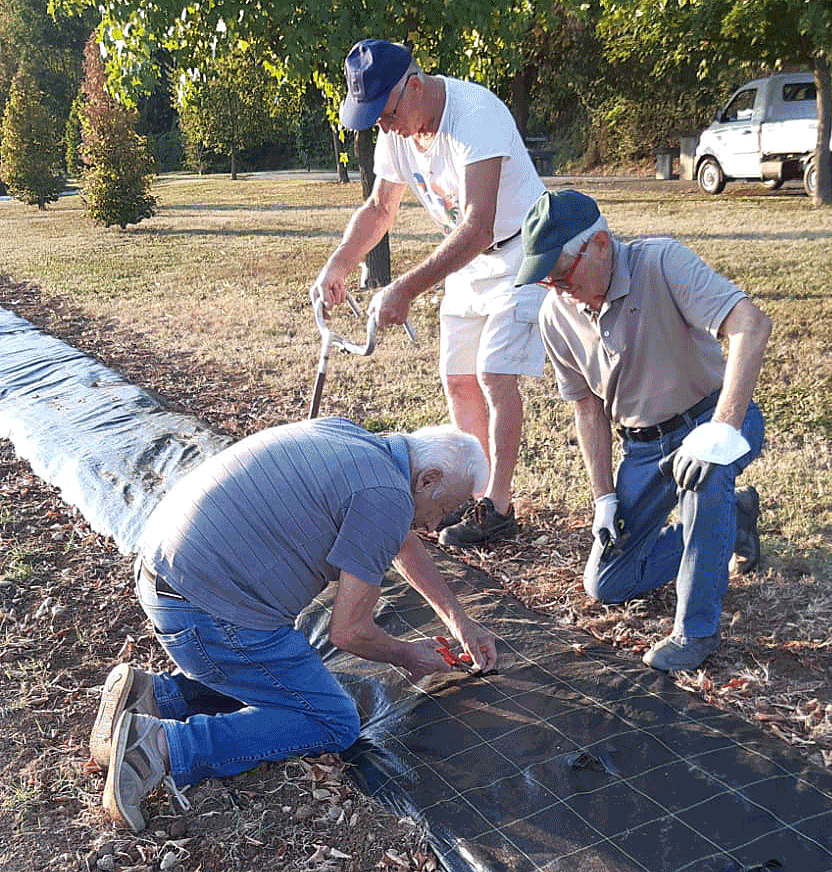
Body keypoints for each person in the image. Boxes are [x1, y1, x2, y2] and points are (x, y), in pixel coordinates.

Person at [89, 418, 498, 832]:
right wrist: (408, 654)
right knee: (332, 721)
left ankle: (156, 696)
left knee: (284, 675)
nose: (436, 526)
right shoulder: (386, 497)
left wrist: (459, 620)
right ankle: (157, 748)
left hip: (166, 577)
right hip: (204, 614)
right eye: (445, 509)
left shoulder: (363, 445)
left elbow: (401, 543)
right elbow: (347, 632)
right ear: (428, 478)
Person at [515, 189, 771, 672]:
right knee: (606, 583)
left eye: (562, 272)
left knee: (706, 476)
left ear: (601, 245)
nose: (557, 287)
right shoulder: (555, 315)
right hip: (642, 450)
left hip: (710, 418)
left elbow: (750, 326)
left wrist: (721, 430)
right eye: (546, 280)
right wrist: (603, 499)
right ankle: (732, 521)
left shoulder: (661, 262)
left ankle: (696, 632)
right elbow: (587, 410)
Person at [313, 39, 548, 548]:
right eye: (373, 118)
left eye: (387, 113)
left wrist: (405, 289)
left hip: (519, 250)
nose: (384, 126)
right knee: (458, 378)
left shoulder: (475, 114)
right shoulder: (398, 131)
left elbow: (479, 225)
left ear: (414, 86)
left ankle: (499, 509)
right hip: (467, 256)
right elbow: (379, 209)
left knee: (495, 373)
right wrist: (339, 263)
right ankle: (471, 495)